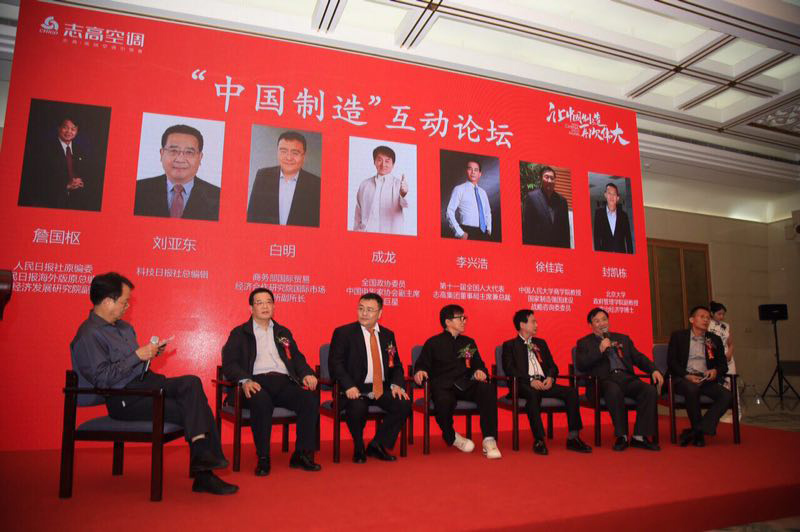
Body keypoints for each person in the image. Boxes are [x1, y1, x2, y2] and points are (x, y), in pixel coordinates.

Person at [70, 272, 237, 495]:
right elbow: (102, 379)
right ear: (108, 301)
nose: (127, 306)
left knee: (191, 383)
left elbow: (132, 365)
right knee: (195, 407)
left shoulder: (124, 328)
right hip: (123, 399)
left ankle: (202, 461)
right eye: (124, 302)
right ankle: (204, 473)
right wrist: (137, 356)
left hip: (146, 384)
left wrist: (149, 355)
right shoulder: (88, 335)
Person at [221, 288, 321, 476]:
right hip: (255, 382)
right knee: (261, 401)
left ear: (274, 306)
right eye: (259, 303)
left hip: (283, 382)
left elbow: (297, 359)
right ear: (251, 308)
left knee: (309, 399)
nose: (265, 306)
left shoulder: (282, 332)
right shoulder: (240, 333)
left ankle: (302, 454)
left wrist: (307, 374)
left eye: (268, 302)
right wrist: (245, 380)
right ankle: (263, 457)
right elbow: (229, 364)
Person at [329, 293, 411, 463]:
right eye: (361, 309)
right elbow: (335, 364)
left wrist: (397, 384)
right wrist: (348, 386)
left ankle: (377, 444)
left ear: (380, 313)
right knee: (357, 407)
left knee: (403, 403)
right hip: (354, 389)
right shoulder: (343, 333)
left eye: (369, 310)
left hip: (380, 387)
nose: (364, 313)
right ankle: (359, 447)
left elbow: (396, 364)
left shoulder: (387, 335)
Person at [414, 304, 501, 458]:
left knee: (487, 389)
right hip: (443, 386)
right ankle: (452, 436)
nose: (464, 321)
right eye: (460, 318)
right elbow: (422, 364)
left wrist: (480, 371)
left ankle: (489, 439)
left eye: (464, 318)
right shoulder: (433, 343)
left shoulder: (469, 342)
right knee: (443, 401)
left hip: (465, 384)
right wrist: (420, 371)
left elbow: (479, 364)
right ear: (448, 322)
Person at [502, 309, 591, 455]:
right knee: (533, 394)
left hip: (544, 383)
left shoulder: (541, 343)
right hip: (523, 385)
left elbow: (552, 366)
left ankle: (573, 438)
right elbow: (510, 369)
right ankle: (539, 440)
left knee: (571, 392)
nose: (536, 325)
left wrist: (550, 377)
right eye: (533, 322)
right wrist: (530, 381)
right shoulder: (509, 345)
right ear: (522, 325)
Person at [576, 307, 663, 451]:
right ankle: (622, 436)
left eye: (604, 319)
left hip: (626, 378)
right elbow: (581, 365)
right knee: (613, 389)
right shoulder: (584, 342)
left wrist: (654, 369)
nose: (602, 323)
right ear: (590, 325)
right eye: (597, 321)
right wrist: (600, 350)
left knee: (648, 390)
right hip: (602, 382)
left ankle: (639, 437)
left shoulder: (623, 339)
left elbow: (638, 358)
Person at [667, 306, 731, 446]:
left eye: (708, 318)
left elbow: (723, 365)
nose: (706, 320)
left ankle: (697, 430)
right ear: (692, 319)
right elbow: (671, 362)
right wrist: (686, 375)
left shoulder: (714, 339)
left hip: (705, 379)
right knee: (692, 389)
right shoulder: (678, 336)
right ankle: (698, 434)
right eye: (702, 317)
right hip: (683, 379)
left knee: (726, 395)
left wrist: (715, 371)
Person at [134, 124, 221, 221]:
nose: (180, 159)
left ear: (200, 157)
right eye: (173, 150)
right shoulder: (137, 190)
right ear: (162, 154)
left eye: (189, 152)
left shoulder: (218, 197)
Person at [18, 116, 100, 211]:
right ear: (59, 128)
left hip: (77, 200)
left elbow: (88, 173)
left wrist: (80, 182)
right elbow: (38, 179)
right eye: (65, 127)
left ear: (77, 132)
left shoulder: (81, 150)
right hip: (52, 200)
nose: (69, 132)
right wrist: (66, 185)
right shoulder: (45, 149)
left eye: (73, 129)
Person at [247, 131, 321, 227]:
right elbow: (251, 216)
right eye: (283, 151)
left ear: (303, 156)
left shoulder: (316, 185)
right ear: (277, 152)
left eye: (295, 153)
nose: (289, 158)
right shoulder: (263, 176)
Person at [353, 146, 409, 234]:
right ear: (374, 162)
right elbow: (358, 213)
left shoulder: (398, 184)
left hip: (391, 235)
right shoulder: (365, 184)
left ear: (393, 164)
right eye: (379, 160)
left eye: (387, 161)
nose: (383, 165)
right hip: (366, 235)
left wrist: (403, 194)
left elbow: (406, 205)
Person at [522, 166, 570, 248]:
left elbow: (565, 230)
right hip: (537, 247)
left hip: (557, 248)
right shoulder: (532, 197)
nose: (549, 181)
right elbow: (527, 227)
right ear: (541, 179)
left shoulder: (562, 201)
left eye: (552, 178)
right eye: (546, 177)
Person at [445, 160, 492, 241]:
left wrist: (489, 229)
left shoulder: (483, 192)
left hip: (484, 233)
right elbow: (449, 211)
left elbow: (487, 212)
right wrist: (460, 233)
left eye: (476, 170)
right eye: (470, 169)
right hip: (467, 231)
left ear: (480, 174)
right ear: (466, 171)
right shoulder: (459, 189)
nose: (473, 172)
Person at [593, 182, 633, 253]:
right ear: (605, 195)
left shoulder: (624, 216)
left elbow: (628, 239)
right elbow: (596, 238)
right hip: (605, 256)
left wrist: (630, 257)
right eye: (609, 193)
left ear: (617, 198)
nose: (611, 197)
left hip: (621, 256)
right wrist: (598, 257)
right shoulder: (599, 214)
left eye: (614, 194)